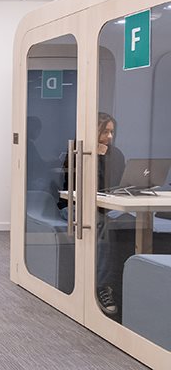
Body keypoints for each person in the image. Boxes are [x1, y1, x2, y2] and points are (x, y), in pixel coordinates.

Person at [93, 112, 131, 318]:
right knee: (103, 226)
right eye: (105, 131)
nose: (109, 136)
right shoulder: (82, 151)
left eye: (111, 132)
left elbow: (118, 184)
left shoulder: (117, 154)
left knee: (132, 223)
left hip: (109, 206)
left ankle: (127, 282)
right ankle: (102, 287)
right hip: (79, 207)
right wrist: (99, 158)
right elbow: (88, 187)